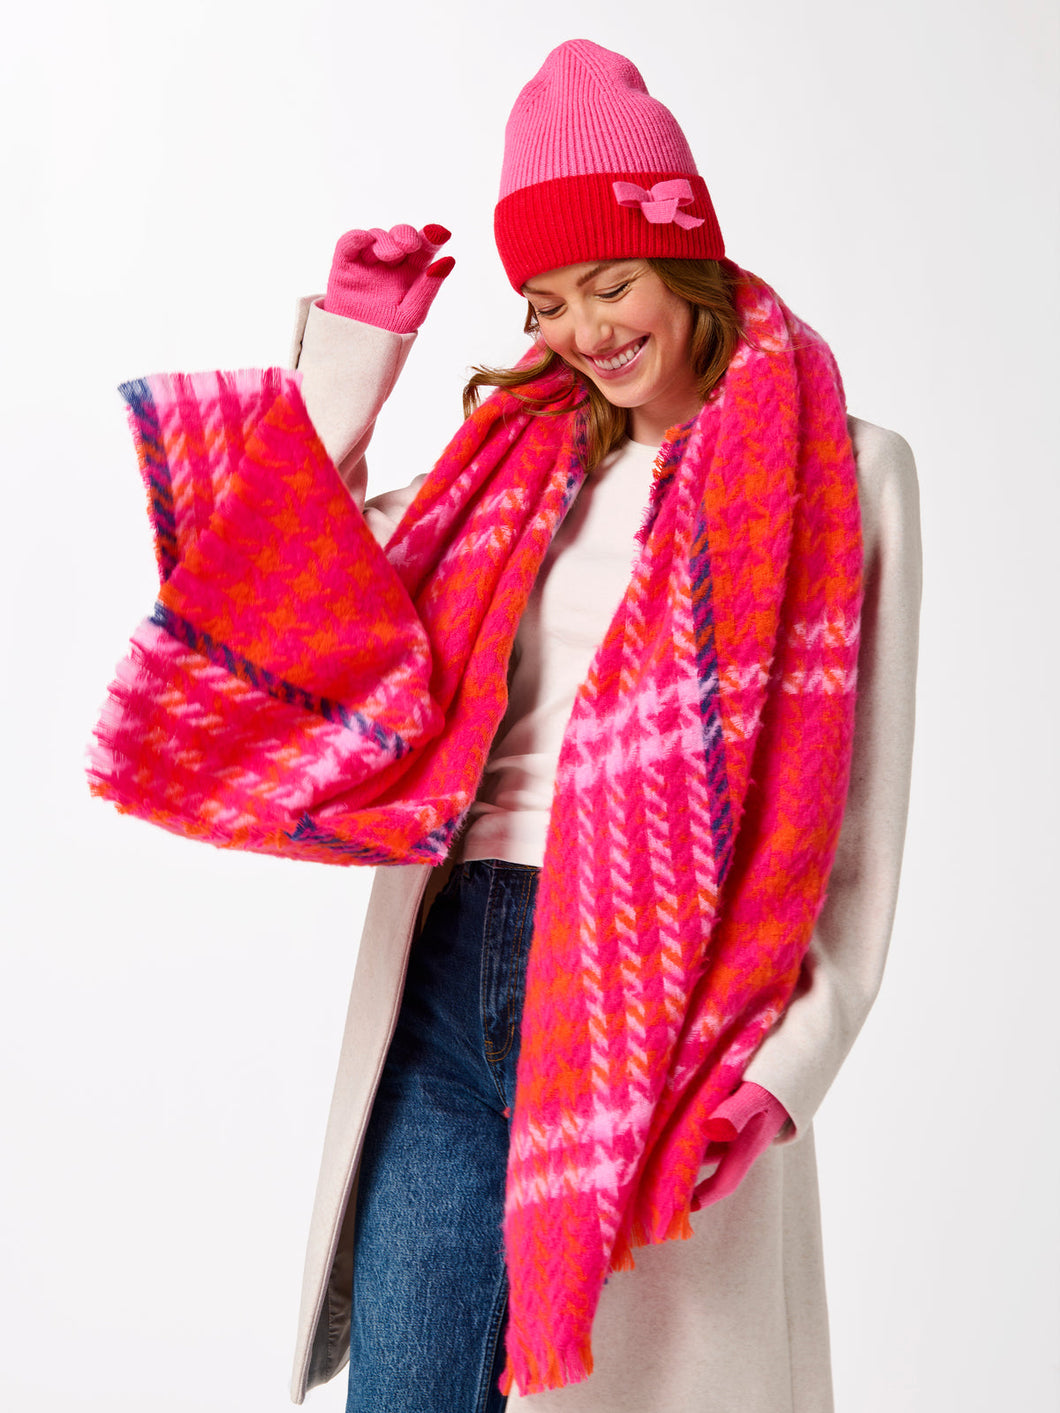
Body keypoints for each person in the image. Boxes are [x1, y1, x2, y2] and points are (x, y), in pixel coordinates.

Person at [90, 38, 922, 1413]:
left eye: (613, 282)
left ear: (687, 256)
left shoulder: (842, 470)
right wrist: (354, 358)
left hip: (664, 1009)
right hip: (453, 972)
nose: (587, 331)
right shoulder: (508, 469)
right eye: (548, 300)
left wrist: (789, 1069)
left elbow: (856, 830)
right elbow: (286, 582)